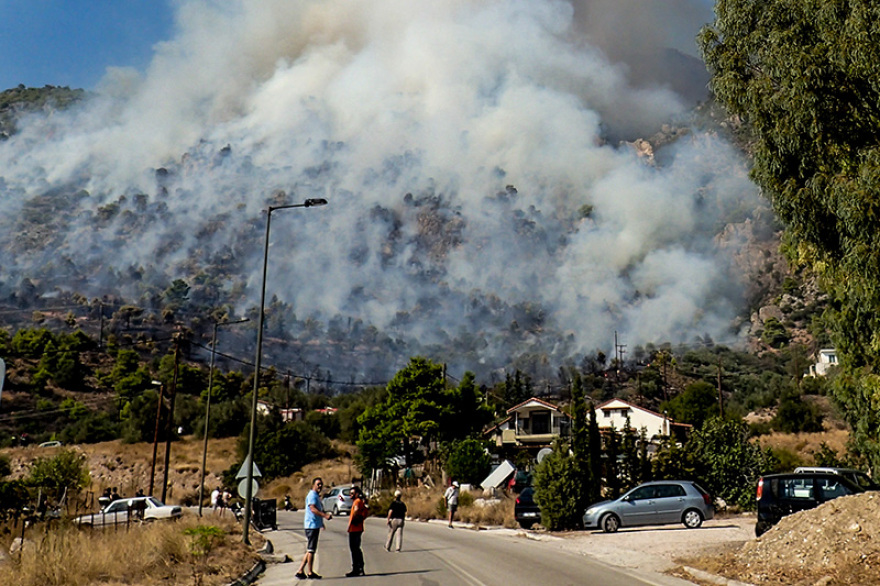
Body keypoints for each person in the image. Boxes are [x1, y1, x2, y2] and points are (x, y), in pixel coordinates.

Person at [296, 477, 332, 580]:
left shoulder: (316, 495)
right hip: (311, 526)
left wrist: (321, 523)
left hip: (314, 525)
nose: (320, 486)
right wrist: (325, 516)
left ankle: (300, 570)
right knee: (311, 550)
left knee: (309, 550)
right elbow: (312, 509)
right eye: (318, 484)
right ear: (313, 485)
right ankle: (310, 572)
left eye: (321, 484)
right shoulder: (312, 495)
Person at [346, 486, 369, 577]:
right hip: (356, 528)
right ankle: (358, 568)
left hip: (355, 529)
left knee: (355, 549)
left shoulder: (357, 502)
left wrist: (355, 519)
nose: (350, 495)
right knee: (355, 549)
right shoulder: (359, 501)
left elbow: (356, 511)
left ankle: (357, 568)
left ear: (356, 494)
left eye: (352, 493)